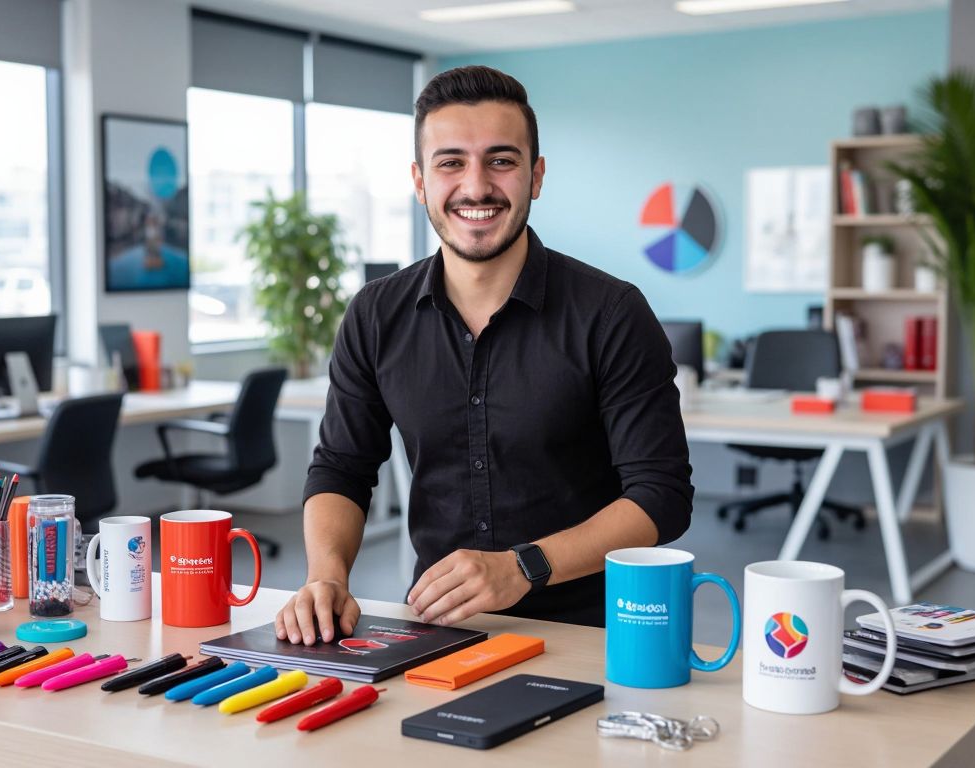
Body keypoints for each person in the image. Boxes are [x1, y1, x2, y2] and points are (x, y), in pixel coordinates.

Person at [276, 65, 693, 645]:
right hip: (435, 628)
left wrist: (523, 566)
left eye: (501, 160)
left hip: (591, 635)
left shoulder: (612, 312)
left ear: (535, 176)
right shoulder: (375, 315)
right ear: (420, 182)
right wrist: (326, 576)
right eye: (451, 163)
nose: (476, 186)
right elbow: (342, 469)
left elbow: (661, 497)